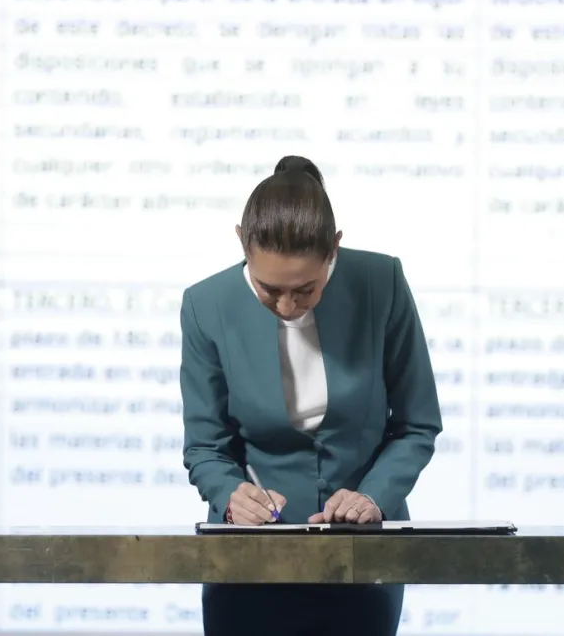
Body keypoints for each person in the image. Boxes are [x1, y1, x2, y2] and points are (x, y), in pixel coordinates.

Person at [179, 155, 443, 636]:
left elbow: (416, 424)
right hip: (247, 561)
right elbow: (205, 447)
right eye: (268, 289)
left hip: (362, 557)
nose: (286, 306)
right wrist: (231, 495)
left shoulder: (381, 283)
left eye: (306, 290)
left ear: (334, 250)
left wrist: (373, 497)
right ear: (242, 240)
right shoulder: (205, 306)